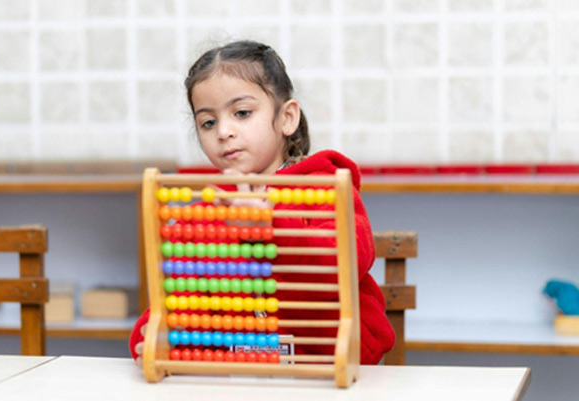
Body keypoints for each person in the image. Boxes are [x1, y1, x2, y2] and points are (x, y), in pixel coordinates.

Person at [130, 40, 395, 365]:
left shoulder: (328, 189)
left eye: (242, 113)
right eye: (208, 122)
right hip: (241, 376)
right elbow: (173, 306)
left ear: (287, 118)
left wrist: (271, 228)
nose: (223, 131)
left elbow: (346, 263)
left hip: (333, 370)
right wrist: (158, 337)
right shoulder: (201, 219)